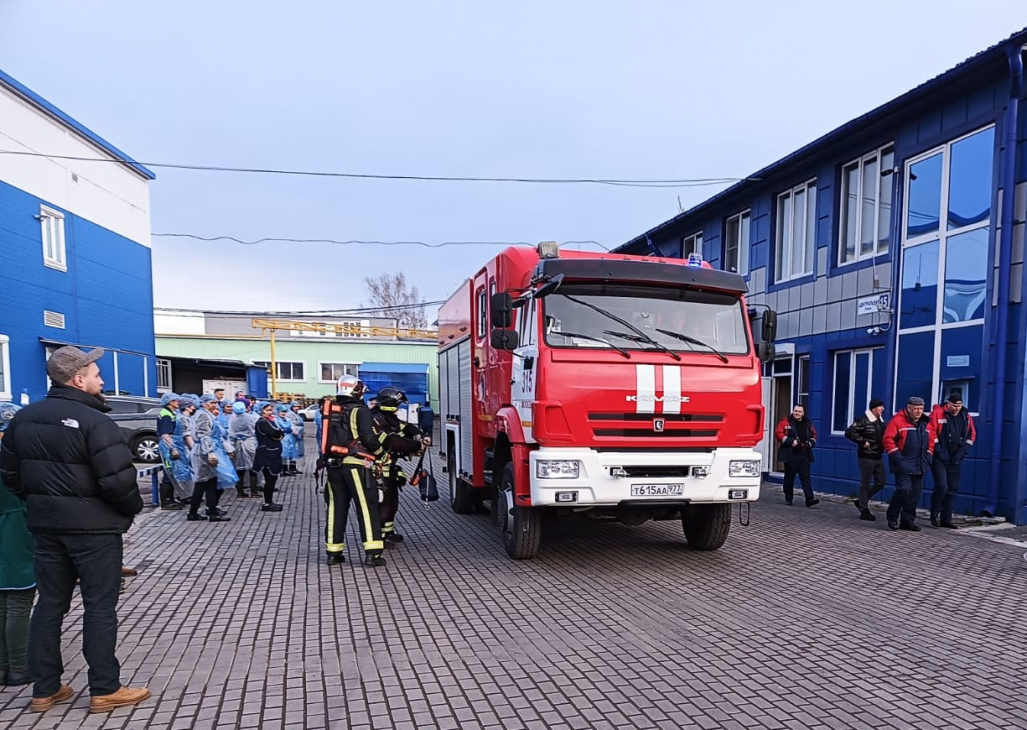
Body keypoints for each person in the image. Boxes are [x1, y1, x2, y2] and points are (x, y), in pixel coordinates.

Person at [0, 346, 150, 713]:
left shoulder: (23, 419)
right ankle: (104, 688)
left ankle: (45, 688)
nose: (102, 380)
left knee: (50, 605)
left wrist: (42, 502)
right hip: (94, 531)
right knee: (100, 607)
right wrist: (129, 512)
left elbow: (10, 474)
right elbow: (118, 481)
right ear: (78, 379)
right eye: (97, 374)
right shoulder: (96, 421)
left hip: (46, 528)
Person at [320, 375, 387, 567]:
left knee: (335, 509)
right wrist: (381, 454)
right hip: (356, 466)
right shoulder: (360, 410)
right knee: (367, 507)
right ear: (355, 391)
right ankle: (372, 554)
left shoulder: (332, 410)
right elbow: (368, 438)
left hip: (333, 466)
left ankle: (334, 554)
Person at [0, 403, 34, 688]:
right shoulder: (11, 459)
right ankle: (19, 667)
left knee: (1, 601)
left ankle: (2, 666)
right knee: (19, 601)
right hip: (15, 533)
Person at [371, 387, 428, 545]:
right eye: (397, 405)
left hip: (389, 469)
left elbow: (406, 427)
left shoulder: (390, 418)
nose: (398, 409)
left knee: (392, 503)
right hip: (377, 470)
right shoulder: (376, 419)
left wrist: (420, 435)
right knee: (383, 505)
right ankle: (378, 538)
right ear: (390, 403)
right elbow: (392, 441)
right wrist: (416, 445)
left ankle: (388, 532)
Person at [883, 396, 936, 532]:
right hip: (903, 463)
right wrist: (898, 458)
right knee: (904, 489)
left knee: (915, 494)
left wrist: (929, 455)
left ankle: (907, 520)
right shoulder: (898, 421)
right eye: (916, 408)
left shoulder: (927, 423)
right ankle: (892, 516)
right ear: (909, 408)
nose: (919, 411)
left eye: (921, 409)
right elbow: (888, 439)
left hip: (920, 463)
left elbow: (931, 441)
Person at [928, 389, 976, 529]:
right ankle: (934, 514)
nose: (956, 408)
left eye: (959, 406)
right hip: (940, 458)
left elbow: (971, 435)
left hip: (956, 458)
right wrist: (938, 451)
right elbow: (931, 433)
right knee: (942, 486)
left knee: (952, 489)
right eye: (954, 405)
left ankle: (946, 519)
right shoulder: (938, 414)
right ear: (948, 404)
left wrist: (963, 452)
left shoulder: (966, 417)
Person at [188, 395, 231, 522]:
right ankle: (207, 513)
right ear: (204, 403)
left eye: (215, 403)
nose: (214, 405)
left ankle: (201, 511)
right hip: (203, 452)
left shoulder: (206, 414)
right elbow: (204, 435)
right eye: (212, 403)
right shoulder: (203, 415)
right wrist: (210, 452)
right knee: (205, 483)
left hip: (204, 451)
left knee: (208, 482)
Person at [844, 397, 887, 521]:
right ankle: (864, 509)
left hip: (878, 456)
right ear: (874, 408)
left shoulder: (881, 421)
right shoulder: (863, 420)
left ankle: (861, 501)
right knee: (865, 483)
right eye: (880, 407)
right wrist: (863, 441)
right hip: (866, 457)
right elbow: (849, 432)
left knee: (881, 482)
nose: (883, 409)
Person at [775, 404, 819, 507]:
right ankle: (788, 498)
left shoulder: (808, 423)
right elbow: (779, 434)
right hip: (791, 454)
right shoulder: (785, 422)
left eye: (799, 411)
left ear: (803, 413)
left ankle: (809, 499)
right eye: (795, 411)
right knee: (789, 478)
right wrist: (791, 442)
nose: (797, 413)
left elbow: (814, 435)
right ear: (793, 411)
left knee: (806, 478)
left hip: (804, 454)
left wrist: (810, 444)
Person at [251, 402, 284, 512]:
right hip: (267, 455)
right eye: (267, 410)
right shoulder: (262, 423)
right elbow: (275, 433)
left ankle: (270, 501)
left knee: (272, 479)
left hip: (273, 454)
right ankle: (267, 503)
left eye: (270, 410)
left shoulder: (270, 421)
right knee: (269, 479)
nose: (270, 412)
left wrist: (279, 433)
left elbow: (280, 432)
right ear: (261, 411)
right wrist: (278, 433)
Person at [156, 393, 183, 510]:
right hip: (167, 446)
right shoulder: (166, 414)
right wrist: (172, 448)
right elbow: (165, 434)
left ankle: (171, 499)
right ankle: (166, 501)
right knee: (168, 473)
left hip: (170, 444)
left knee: (172, 472)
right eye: (175, 400)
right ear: (169, 402)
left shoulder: (170, 413)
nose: (178, 402)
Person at [229, 401, 260, 498]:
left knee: (239, 469)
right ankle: (254, 491)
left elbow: (230, 433)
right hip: (249, 443)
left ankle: (240, 491)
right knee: (253, 468)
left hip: (237, 444)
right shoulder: (250, 417)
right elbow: (254, 430)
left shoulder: (232, 418)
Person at [276, 404, 299, 476]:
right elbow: (278, 429)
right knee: (282, 455)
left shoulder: (287, 419)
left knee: (288, 454)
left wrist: (294, 430)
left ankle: (287, 469)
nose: (283, 413)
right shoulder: (276, 420)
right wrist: (285, 430)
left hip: (289, 439)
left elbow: (293, 427)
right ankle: (282, 470)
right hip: (281, 439)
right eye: (281, 412)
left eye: (284, 412)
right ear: (278, 412)